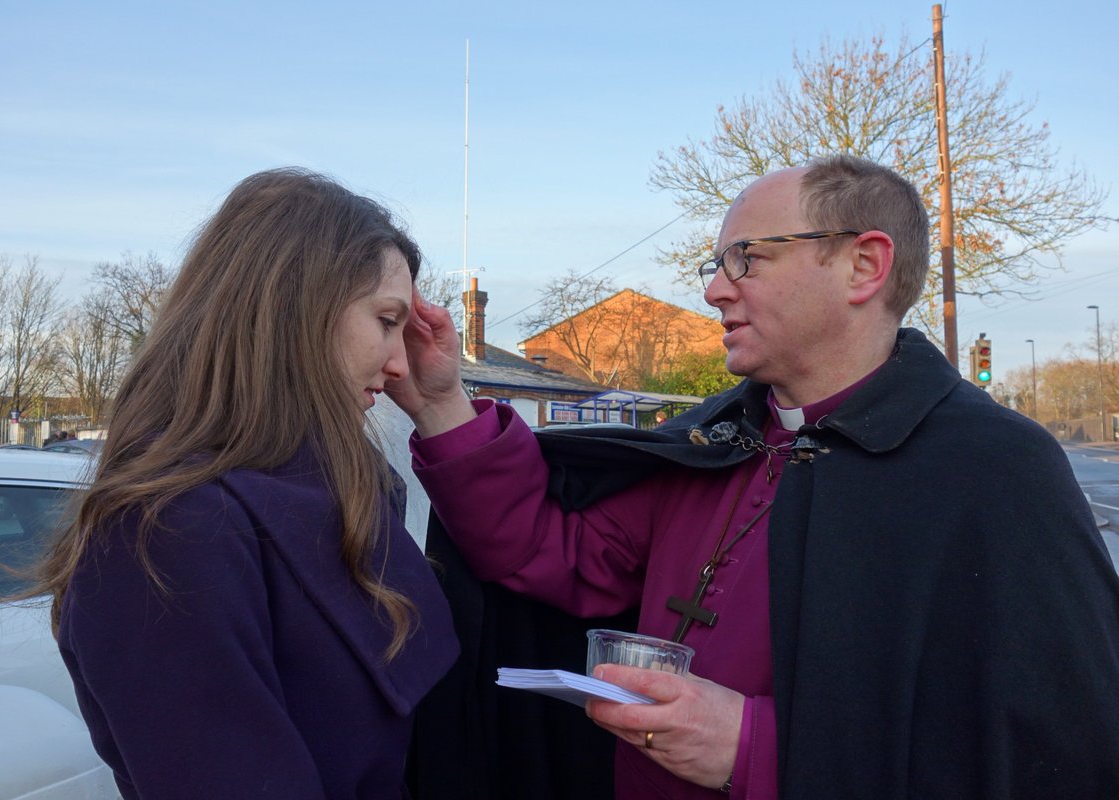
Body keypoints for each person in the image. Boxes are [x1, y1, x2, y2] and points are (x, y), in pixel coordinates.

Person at [389, 155, 1119, 798]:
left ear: (864, 265)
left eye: (746, 258)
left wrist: (756, 747)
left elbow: (1047, 747)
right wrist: (442, 403)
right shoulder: (721, 439)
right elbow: (543, 552)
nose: (715, 291)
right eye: (716, 265)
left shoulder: (996, 470)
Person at [33, 168, 458, 799]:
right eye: (386, 320)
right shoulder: (164, 529)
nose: (400, 364)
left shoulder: (349, 489)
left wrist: (443, 408)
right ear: (297, 310)